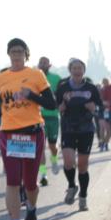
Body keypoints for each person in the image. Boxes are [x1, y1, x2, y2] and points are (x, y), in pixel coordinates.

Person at [0, 38, 56, 220]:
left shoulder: (36, 74)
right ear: (8, 54)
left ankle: (31, 207)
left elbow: (51, 103)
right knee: (12, 180)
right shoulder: (1, 77)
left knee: (30, 182)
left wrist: (32, 96)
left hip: (32, 133)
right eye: (13, 51)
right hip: (9, 133)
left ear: (26, 54)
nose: (16, 54)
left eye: (20, 51)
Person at [56, 58, 102, 212]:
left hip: (86, 129)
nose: (77, 71)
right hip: (68, 127)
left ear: (84, 70)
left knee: (82, 166)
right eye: (74, 68)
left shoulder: (91, 87)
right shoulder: (62, 87)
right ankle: (71, 186)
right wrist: (61, 107)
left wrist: (93, 108)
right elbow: (57, 106)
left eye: (79, 68)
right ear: (70, 70)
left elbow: (100, 107)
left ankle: (83, 197)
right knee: (68, 162)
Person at [36, 56, 62, 186]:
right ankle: (43, 174)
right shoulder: (33, 77)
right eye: (41, 62)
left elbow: (61, 95)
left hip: (53, 116)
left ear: (49, 65)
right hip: (39, 117)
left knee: (52, 146)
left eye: (45, 63)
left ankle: (54, 159)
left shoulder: (56, 78)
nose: (42, 64)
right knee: (40, 148)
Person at [98, 77, 111, 152]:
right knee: (102, 128)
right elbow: (98, 100)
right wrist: (103, 102)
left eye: (107, 82)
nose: (105, 83)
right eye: (104, 82)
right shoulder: (101, 90)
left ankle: (106, 143)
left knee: (109, 130)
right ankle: (102, 143)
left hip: (110, 111)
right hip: (102, 110)